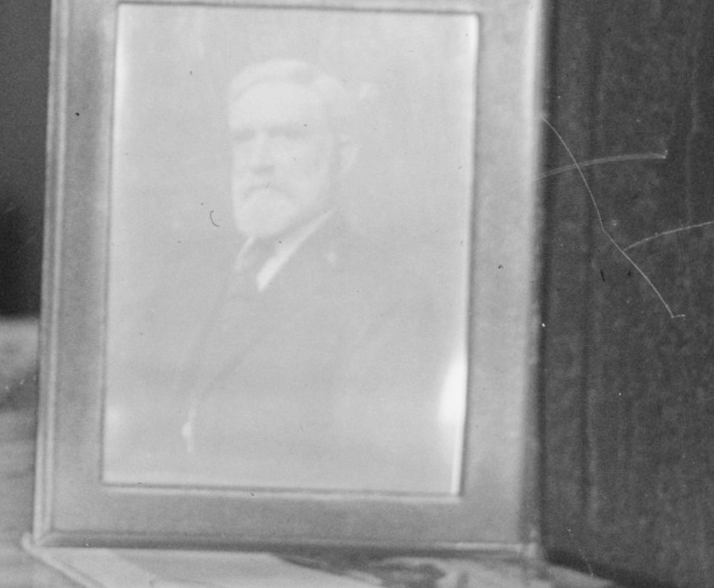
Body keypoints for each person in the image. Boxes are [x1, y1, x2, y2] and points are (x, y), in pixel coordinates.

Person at [112, 59, 464, 491]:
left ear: (344, 154)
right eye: (243, 139)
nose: (258, 162)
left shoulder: (387, 296)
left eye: (286, 136)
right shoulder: (190, 277)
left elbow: (369, 471)